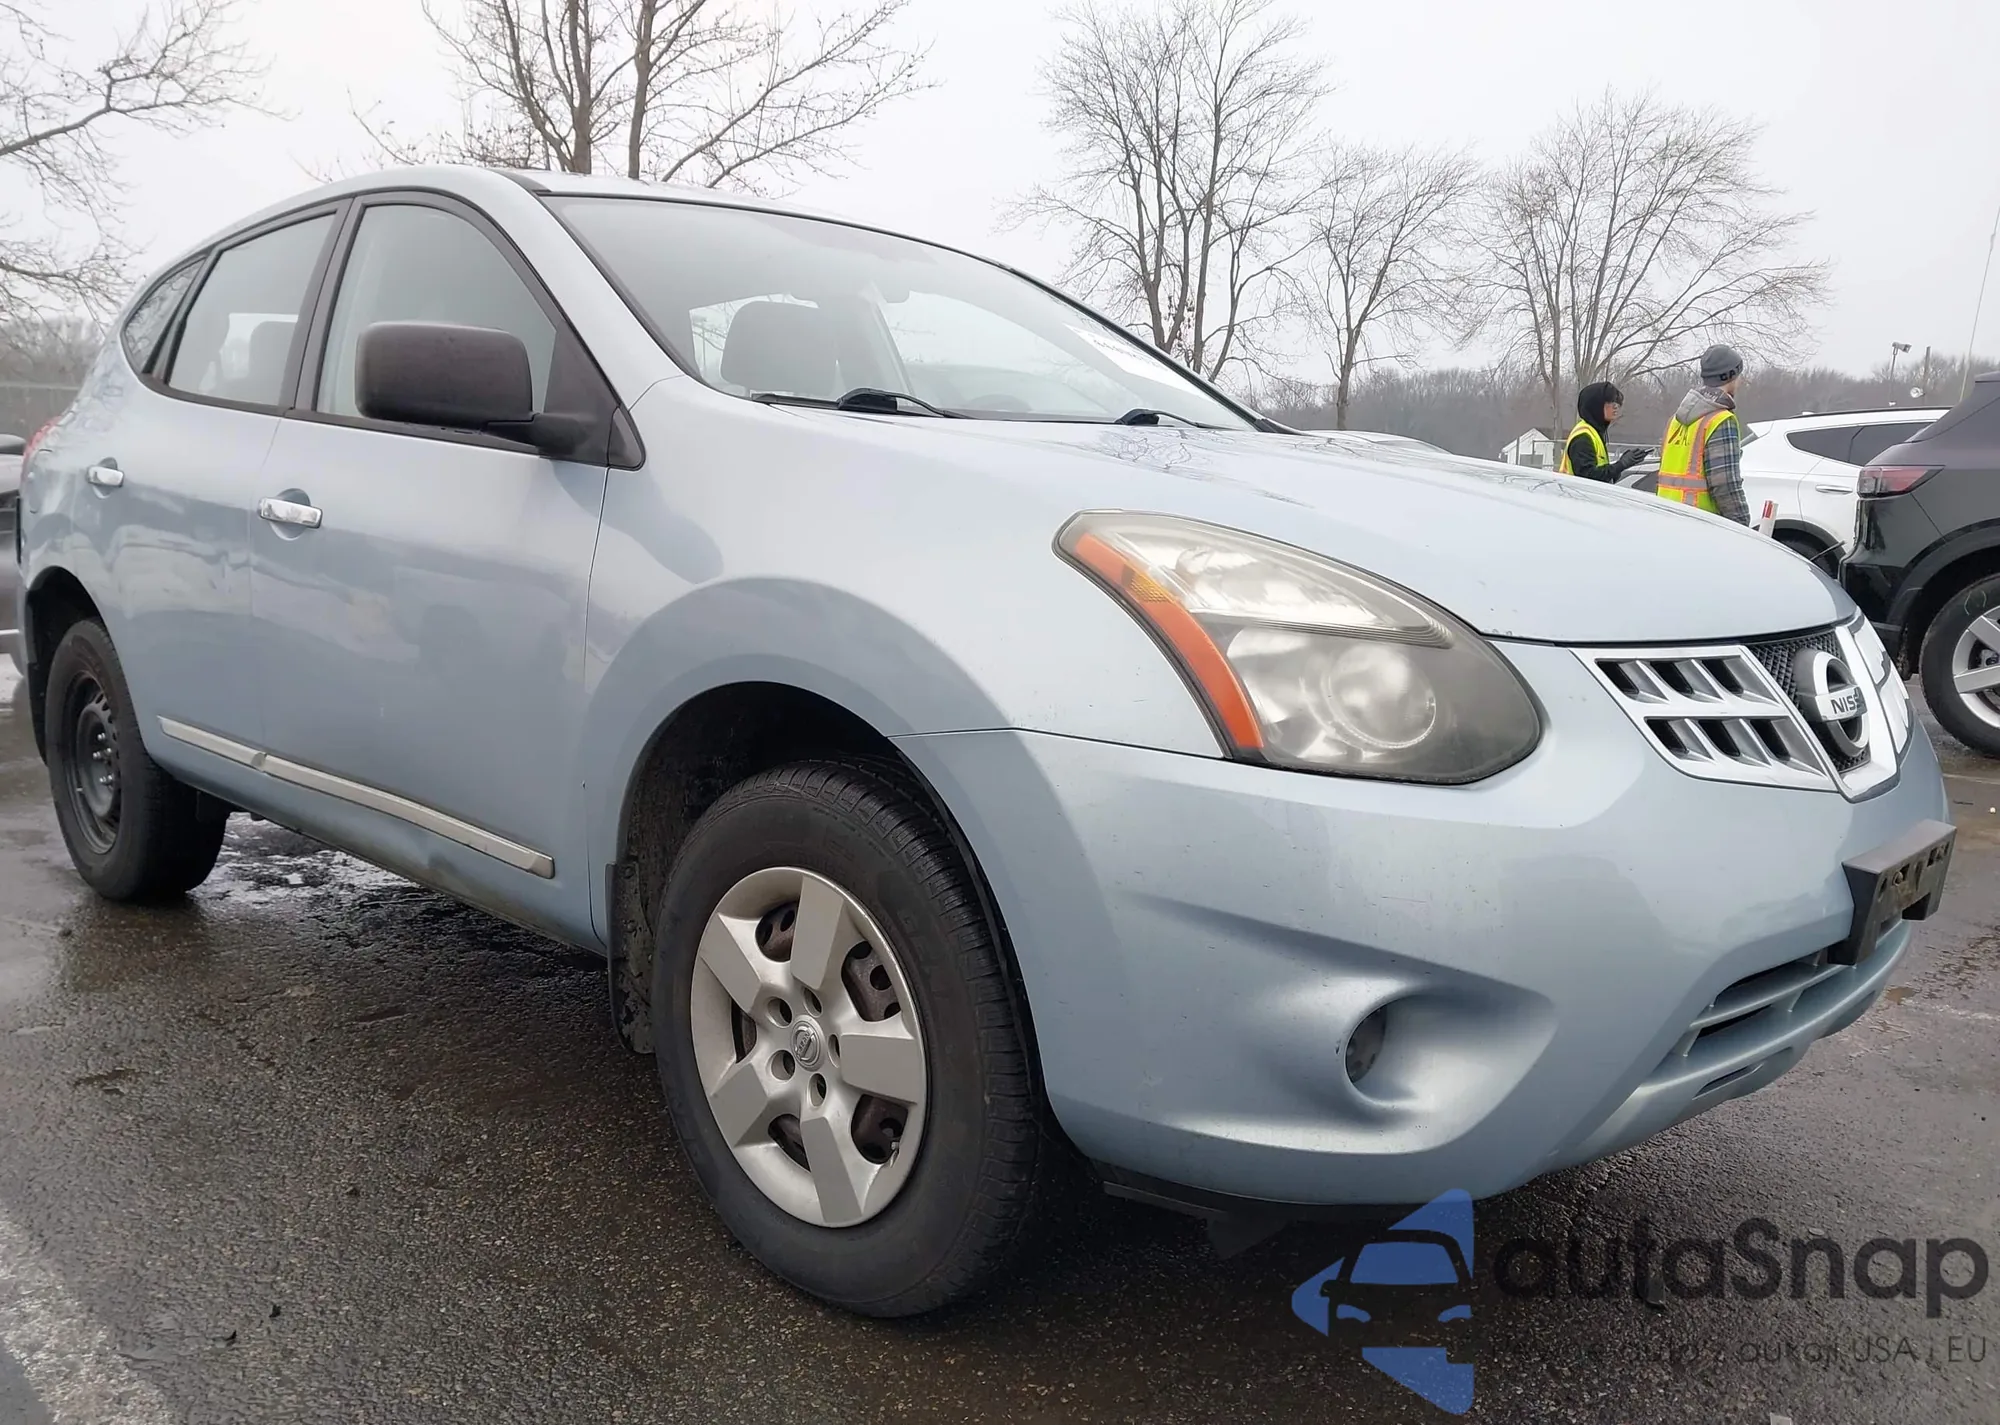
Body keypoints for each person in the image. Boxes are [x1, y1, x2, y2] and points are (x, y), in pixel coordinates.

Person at [1656, 344, 1749, 523]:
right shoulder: (1721, 420)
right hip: (1700, 524)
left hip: (1666, 518)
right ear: (1731, 375)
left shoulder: (1675, 420)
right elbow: (1726, 485)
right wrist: (1741, 524)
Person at [1558, 381, 1649, 482]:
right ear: (1596, 406)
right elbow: (1588, 477)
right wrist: (1621, 465)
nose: (1616, 406)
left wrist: (1621, 466)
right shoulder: (1583, 437)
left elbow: (1602, 476)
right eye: (1610, 402)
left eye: (1617, 402)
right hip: (1574, 492)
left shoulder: (1594, 432)